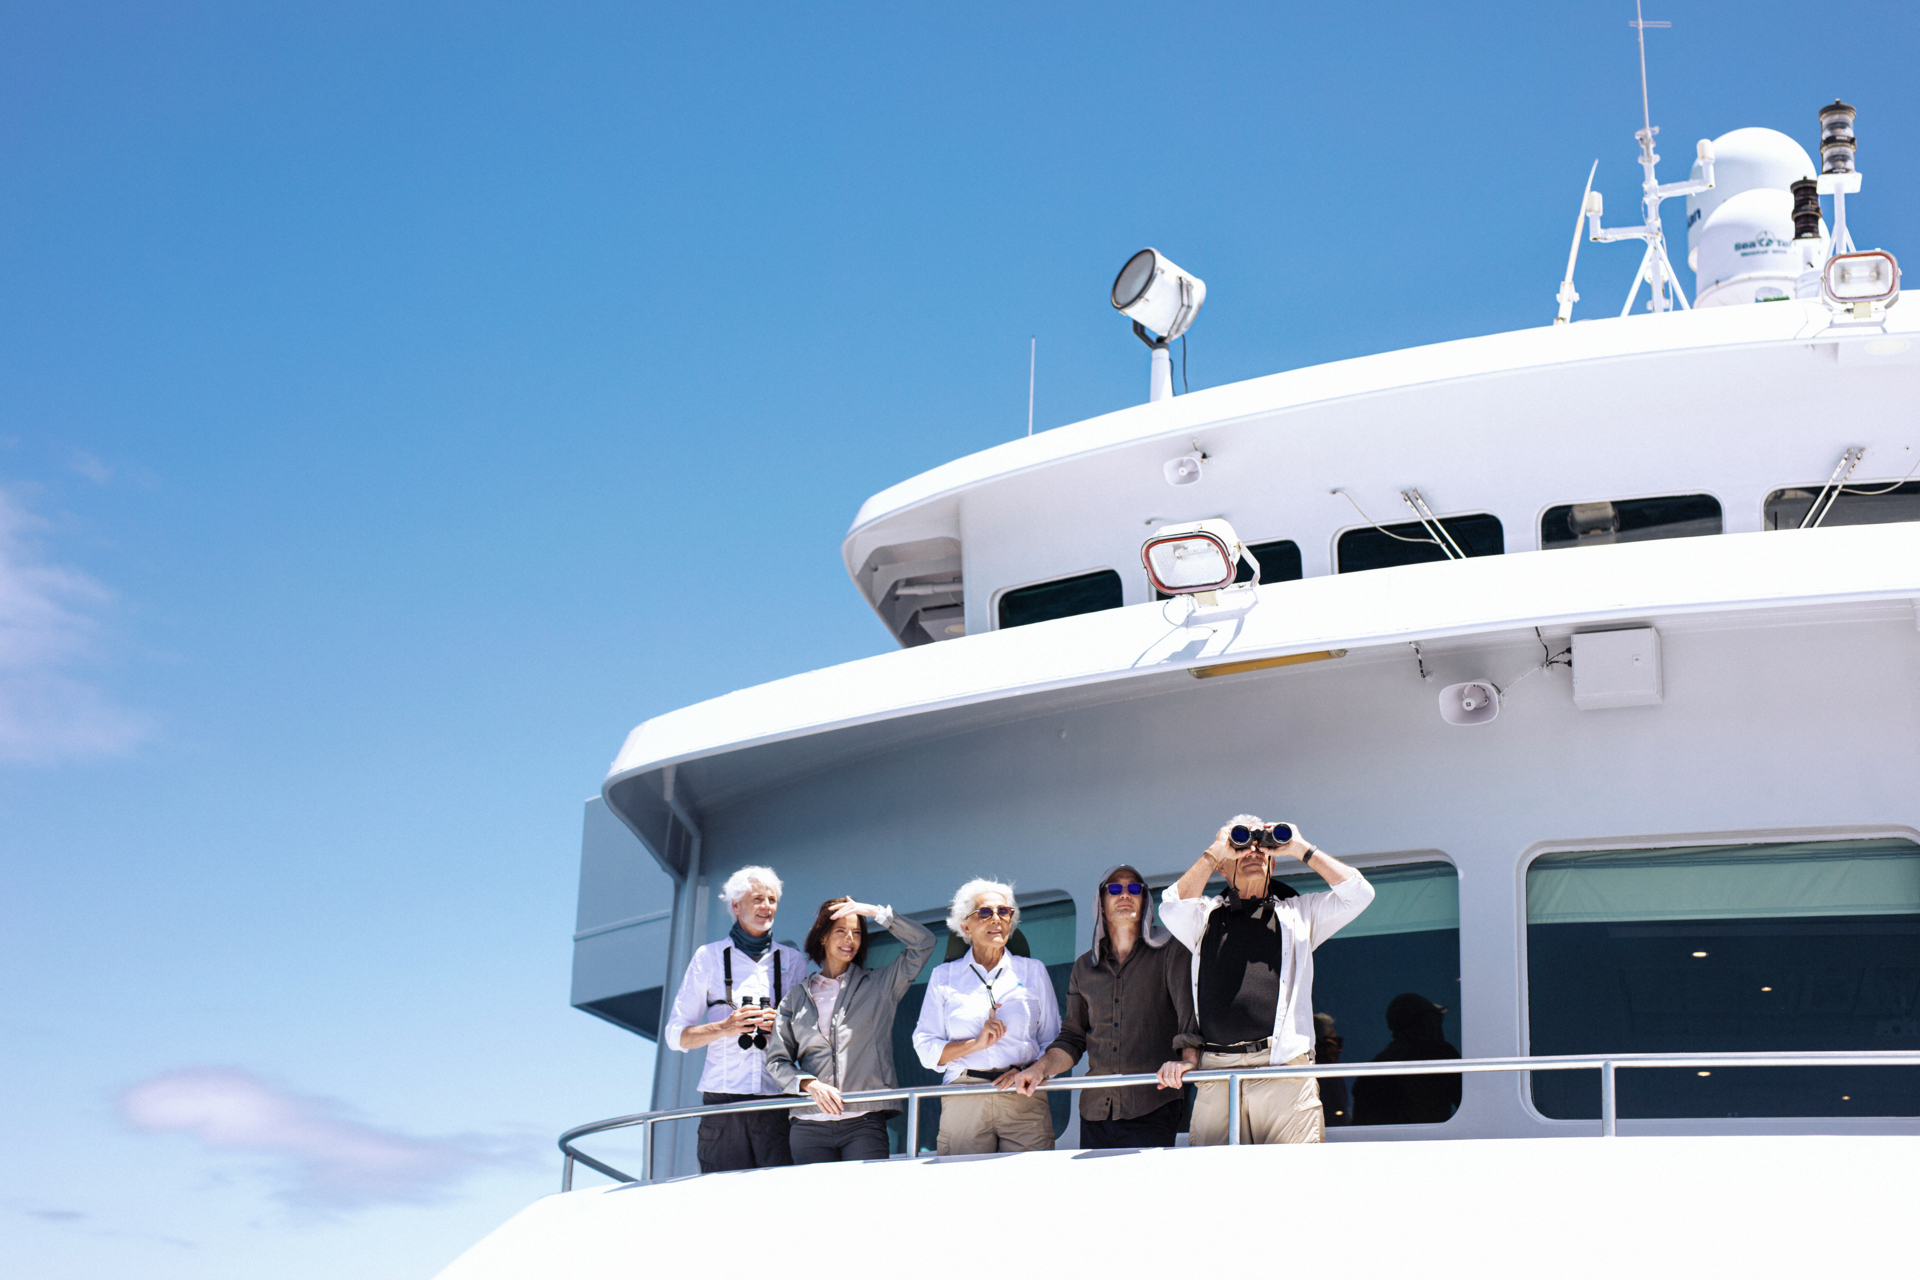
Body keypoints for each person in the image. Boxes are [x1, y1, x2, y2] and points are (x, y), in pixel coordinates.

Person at [1158, 816, 1374, 1145]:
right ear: (1223, 868)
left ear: (1273, 862)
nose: (1252, 853)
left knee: (1292, 1184)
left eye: (1262, 851)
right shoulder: (1203, 918)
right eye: (1241, 849)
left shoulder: (1300, 915)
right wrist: (1216, 850)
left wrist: (1300, 848)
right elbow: (1172, 907)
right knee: (1214, 1186)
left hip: (1283, 1069)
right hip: (1218, 1072)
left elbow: (1359, 894)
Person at [999, 865, 1198, 1148]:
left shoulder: (1170, 952)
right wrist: (1039, 1068)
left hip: (1153, 1103)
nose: (1125, 894)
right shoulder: (1084, 967)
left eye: (1135, 889)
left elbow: (1187, 1020)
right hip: (1094, 1111)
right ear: (1101, 905)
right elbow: (1072, 1038)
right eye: (1115, 889)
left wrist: (1187, 1060)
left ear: (1145, 903)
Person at [766, 897, 936, 1163]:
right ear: (823, 936)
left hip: (864, 1123)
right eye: (841, 931)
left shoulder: (880, 986)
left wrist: (875, 912)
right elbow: (777, 1061)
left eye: (856, 932)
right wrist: (809, 1084)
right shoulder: (795, 998)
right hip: (809, 1124)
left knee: (866, 1203)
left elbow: (924, 943)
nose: (850, 939)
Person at [661, 866, 808, 1172]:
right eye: (757, 899)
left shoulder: (792, 961)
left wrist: (779, 1027)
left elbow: (805, 1035)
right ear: (736, 906)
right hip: (722, 1102)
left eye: (772, 899)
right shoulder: (708, 957)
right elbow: (675, 1035)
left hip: (775, 1099)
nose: (766, 906)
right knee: (721, 1201)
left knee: (774, 1200)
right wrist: (725, 1027)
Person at [911, 879, 1061, 1154]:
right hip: (964, 1095)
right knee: (964, 1189)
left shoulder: (1033, 971)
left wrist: (1027, 1072)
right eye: (985, 912)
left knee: (1030, 1187)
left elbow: (1053, 1040)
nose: (997, 919)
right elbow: (925, 1046)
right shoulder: (944, 976)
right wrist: (975, 1044)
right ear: (965, 926)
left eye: (1004, 912)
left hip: (1023, 1093)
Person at [1351, 992, 1462, 1126]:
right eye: (1434, 1019)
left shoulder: (1377, 1067)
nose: (1437, 1025)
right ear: (1422, 1022)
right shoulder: (1441, 1054)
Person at [1314, 1012, 1351, 1126]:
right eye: (1336, 1042)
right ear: (1319, 1043)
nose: (1339, 1050)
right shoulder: (1324, 1078)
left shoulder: (1332, 1076)